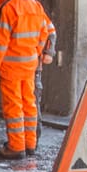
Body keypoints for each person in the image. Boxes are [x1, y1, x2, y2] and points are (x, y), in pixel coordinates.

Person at [0, 0, 52, 160]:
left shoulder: (6, 8)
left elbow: (0, 42)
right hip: (30, 65)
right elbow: (44, 33)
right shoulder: (35, 5)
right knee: (29, 104)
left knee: (13, 106)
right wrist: (36, 53)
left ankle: (15, 147)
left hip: (11, 67)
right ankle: (30, 144)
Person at [34, 10, 57, 139]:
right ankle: (22, 142)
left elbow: (51, 31)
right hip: (27, 67)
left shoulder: (7, 10)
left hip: (30, 68)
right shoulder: (34, 8)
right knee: (29, 104)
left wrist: (49, 52)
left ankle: (30, 140)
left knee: (29, 104)